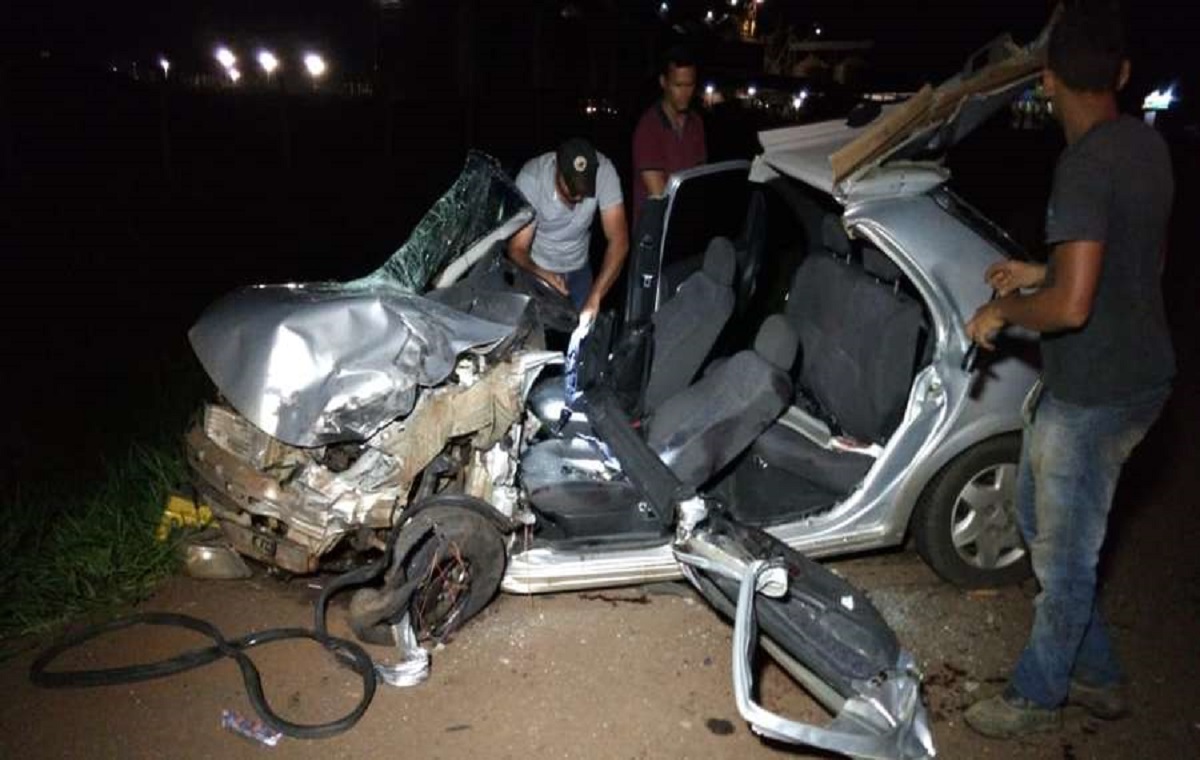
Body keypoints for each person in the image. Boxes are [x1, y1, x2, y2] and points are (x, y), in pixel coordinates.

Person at [963, 4, 1174, 739]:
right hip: (1138, 373)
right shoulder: (1146, 146)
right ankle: (1099, 675)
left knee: (1063, 556)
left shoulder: (1082, 166)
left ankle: (1038, 691)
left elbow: (1072, 306)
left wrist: (1005, 309)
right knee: (1037, 519)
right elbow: (1134, 263)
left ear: (1048, 80)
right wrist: (1041, 270)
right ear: (1122, 73)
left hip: (1095, 392)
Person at [509, 138, 628, 317]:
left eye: (584, 188)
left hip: (579, 268)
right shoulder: (532, 179)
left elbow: (619, 240)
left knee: (585, 327)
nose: (579, 196)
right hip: (537, 268)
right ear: (557, 169)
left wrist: (596, 295)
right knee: (533, 330)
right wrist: (541, 274)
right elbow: (517, 248)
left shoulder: (604, 171)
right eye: (572, 187)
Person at [631, 45, 707, 227]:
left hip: (686, 225)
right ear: (663, 82)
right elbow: (659, 194)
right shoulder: (649, 127)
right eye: (678, 85)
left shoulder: (696, 123)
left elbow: (700, 178)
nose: (685, 93)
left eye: (690, 85)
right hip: (654, 231)